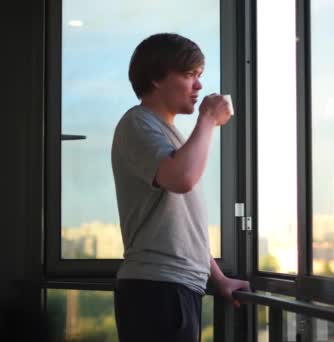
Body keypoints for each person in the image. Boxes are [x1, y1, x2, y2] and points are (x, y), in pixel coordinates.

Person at [111, 33, 251, 342]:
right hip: (156, 290)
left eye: (199, 75)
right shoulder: (138, 123)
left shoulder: (168, 137)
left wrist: (219, 279)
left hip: (173, 288)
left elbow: (183, 227)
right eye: (189, 75)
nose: (199, 86)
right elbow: (182, 179)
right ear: (157, 79)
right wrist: (208, 119)